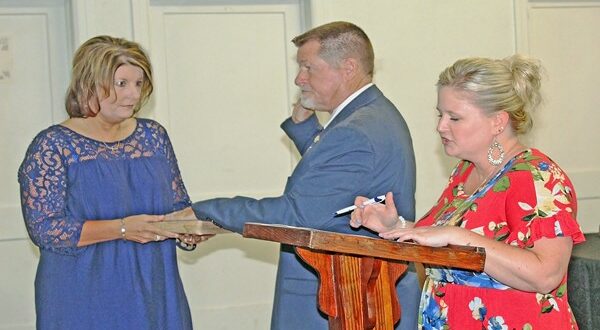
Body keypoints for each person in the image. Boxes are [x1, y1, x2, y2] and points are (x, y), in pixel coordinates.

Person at [169, 21, 420, 329]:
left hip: (343, 303)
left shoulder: (356, 130)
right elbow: (336, 184)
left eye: (308, 67)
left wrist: (206, 210)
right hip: (358, 293)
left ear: (348, 68)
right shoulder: (373, 114)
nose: (299, 78)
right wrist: (303, 127)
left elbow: (297, 214)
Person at [350, 55, 586, 329]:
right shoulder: (464, 172)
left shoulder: (537, 176)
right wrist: (397, 226)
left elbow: (546, 274)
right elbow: (449, 246)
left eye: (455, 117)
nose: (441, 126)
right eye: (441, 114)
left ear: (498, 121)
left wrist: (459, 236)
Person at [18, 35, 202, 329]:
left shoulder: (153, 137)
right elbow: (46, 230)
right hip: (81, 294)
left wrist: (187, 229)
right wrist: (123, 228)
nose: (132, 95)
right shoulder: (52, 146)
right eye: (121, 84)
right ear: (89, 83)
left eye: (139, 84)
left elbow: (178, 205)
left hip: (154, 287)